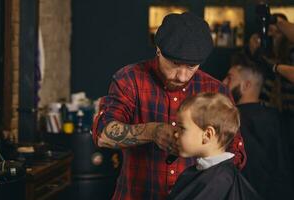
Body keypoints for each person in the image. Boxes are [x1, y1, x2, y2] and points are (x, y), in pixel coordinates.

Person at [92, 12, 246, 200]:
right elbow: (102, 134)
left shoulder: (217, 91)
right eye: (174, 64)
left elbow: (236, 153)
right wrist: (151, 131)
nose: (182, 76)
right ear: (158, 50)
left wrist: (202, 150)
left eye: (191, 67)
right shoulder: (129, 79)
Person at [222, 53, 293, 200]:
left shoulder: (230, 122)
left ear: (246, 85)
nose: (223, 82)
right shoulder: (279, 119)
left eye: (230, 78)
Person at [167, 93, 261, 200]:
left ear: (207, 134)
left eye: (182, 128)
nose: (175, 134)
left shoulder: (220, 181)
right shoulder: (197, 173)